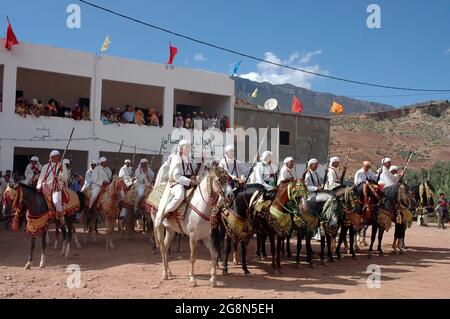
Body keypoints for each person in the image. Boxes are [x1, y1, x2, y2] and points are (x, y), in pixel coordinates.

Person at [155, 140, 197, 227]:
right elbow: (176, 176)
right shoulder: (176, 159)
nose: (189, 148)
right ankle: (166, 212)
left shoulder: (190, 159)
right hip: (177, 183)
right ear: (181, 149)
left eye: (189, 146)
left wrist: (195, 176)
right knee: (180, 196)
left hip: (189, 183)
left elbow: (195, 170)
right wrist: (189, 181)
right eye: (187, 147)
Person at [36, 150, 69, 216]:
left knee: (56, 202)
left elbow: (65, 178)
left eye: (59, 156)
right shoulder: (45, 166)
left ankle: (61, 217)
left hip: (56, 188)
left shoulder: (62, 165)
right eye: (56, 156)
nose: (58, 158)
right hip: (46, 188)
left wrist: (59, 176)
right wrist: (38, 186)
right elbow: (41, 178)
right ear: (52, 157)